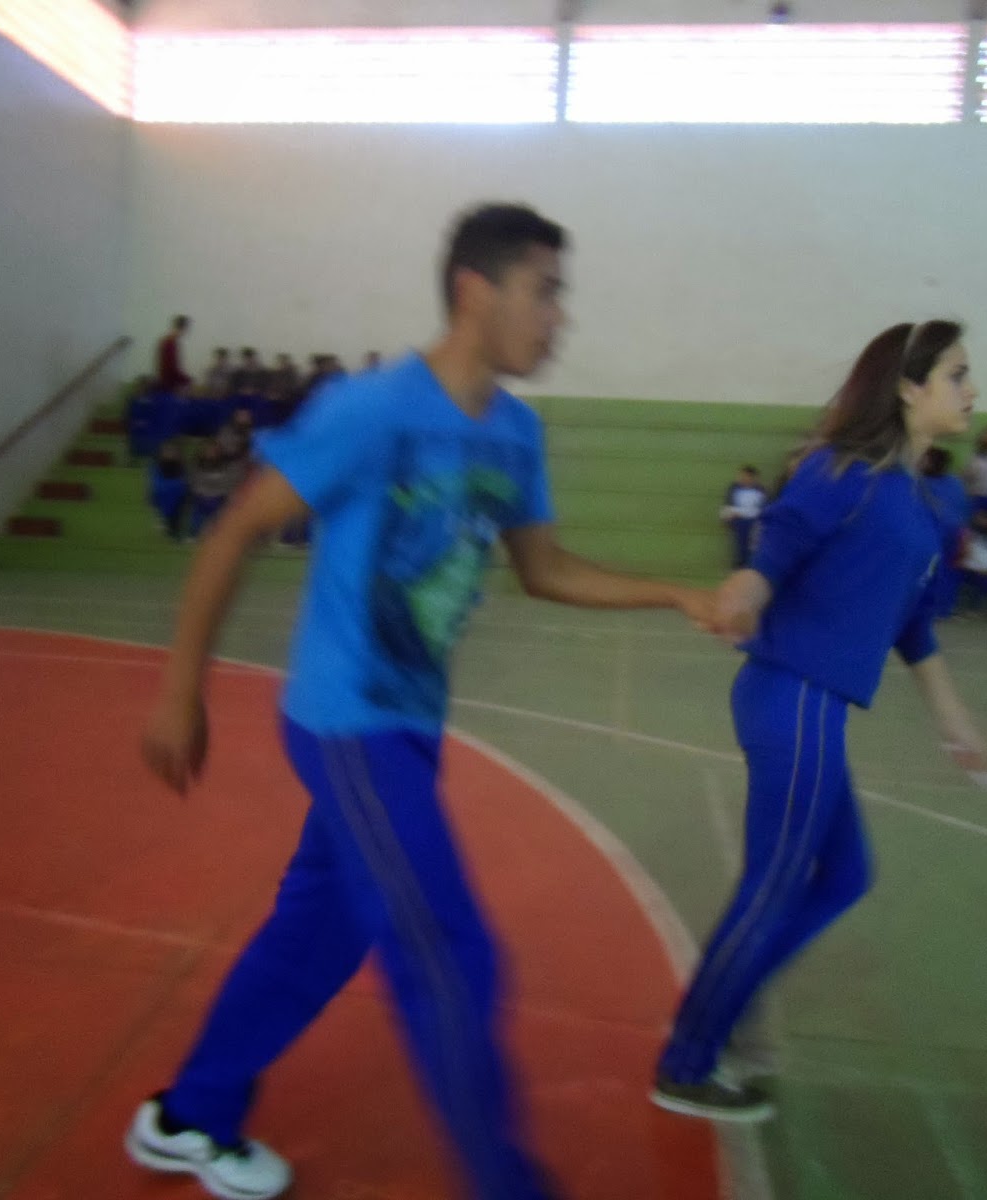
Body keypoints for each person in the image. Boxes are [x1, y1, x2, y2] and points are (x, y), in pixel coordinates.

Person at [128, 203, 719, 1199]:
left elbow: (543, 568)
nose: (559, 317)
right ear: (474, 292)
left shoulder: (516, 433)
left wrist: (676, 594)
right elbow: (236, 527)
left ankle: (190, 1113)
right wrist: (181, 692)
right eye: (544, 292)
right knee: (449, 953)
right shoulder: (370, 410)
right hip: (345, 722)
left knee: (318, 934)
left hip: (408, 727)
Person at [654, 320, 987, 1124]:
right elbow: (773, 554)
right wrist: (744, 596)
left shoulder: (921, 503)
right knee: (774, 885)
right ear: (907, 387)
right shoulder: (842, 471)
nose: (971, 390)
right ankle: (687, 1063)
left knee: (844, 875)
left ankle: (730, 994)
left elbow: (912, 626)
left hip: (815, 706)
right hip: (793, 697)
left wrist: (955, 720)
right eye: (956, 374)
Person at [918, 445, 969, 618]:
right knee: (950, 572)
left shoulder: (920, 482)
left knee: (928, 570)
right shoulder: (955, 483)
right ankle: (944, 608)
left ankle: (926, 607)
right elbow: (965, 508)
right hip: (955, 532)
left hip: (932, 531)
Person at [720, 465, 768, 568]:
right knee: (740, 547)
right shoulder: (733, 489)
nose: (742, 479)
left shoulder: (760, 491)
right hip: (739, 523)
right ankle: (740, 565)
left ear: (753, 478)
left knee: (752, 547)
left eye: (745, 477)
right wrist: (727, 515)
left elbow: (762, 511)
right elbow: (727, 507)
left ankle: (750, 565)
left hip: (754, 524)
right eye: (741, 476)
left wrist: (740, 512)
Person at [149, 440, 191, 541]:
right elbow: (156, 483)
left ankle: (174, 528)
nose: (170, 453)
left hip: (179, 496)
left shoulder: (183, 467)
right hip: (163, 495)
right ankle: (168, 524)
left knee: (180, 505)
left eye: (173, 451)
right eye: (167, 451)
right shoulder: (157, 467)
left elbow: (186, 481)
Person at [156, 316, 192, 392]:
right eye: (186, 329)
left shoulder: (167, 341)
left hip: (167, 383)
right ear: (183, 328)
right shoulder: (169, 343)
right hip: (167, 385)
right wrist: (186, 380)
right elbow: (170, 367)